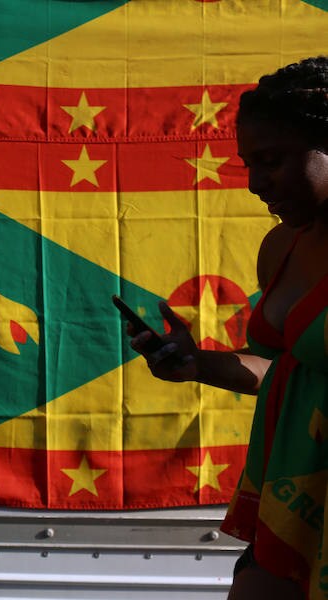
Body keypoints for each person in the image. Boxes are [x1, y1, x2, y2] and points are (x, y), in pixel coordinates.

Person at [126, 56, 328, 599]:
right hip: (294, 498)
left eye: (272, 161)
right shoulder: (281, 247)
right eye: (248, 164)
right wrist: (200, 364)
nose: (256, 184)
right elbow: (286, 371)